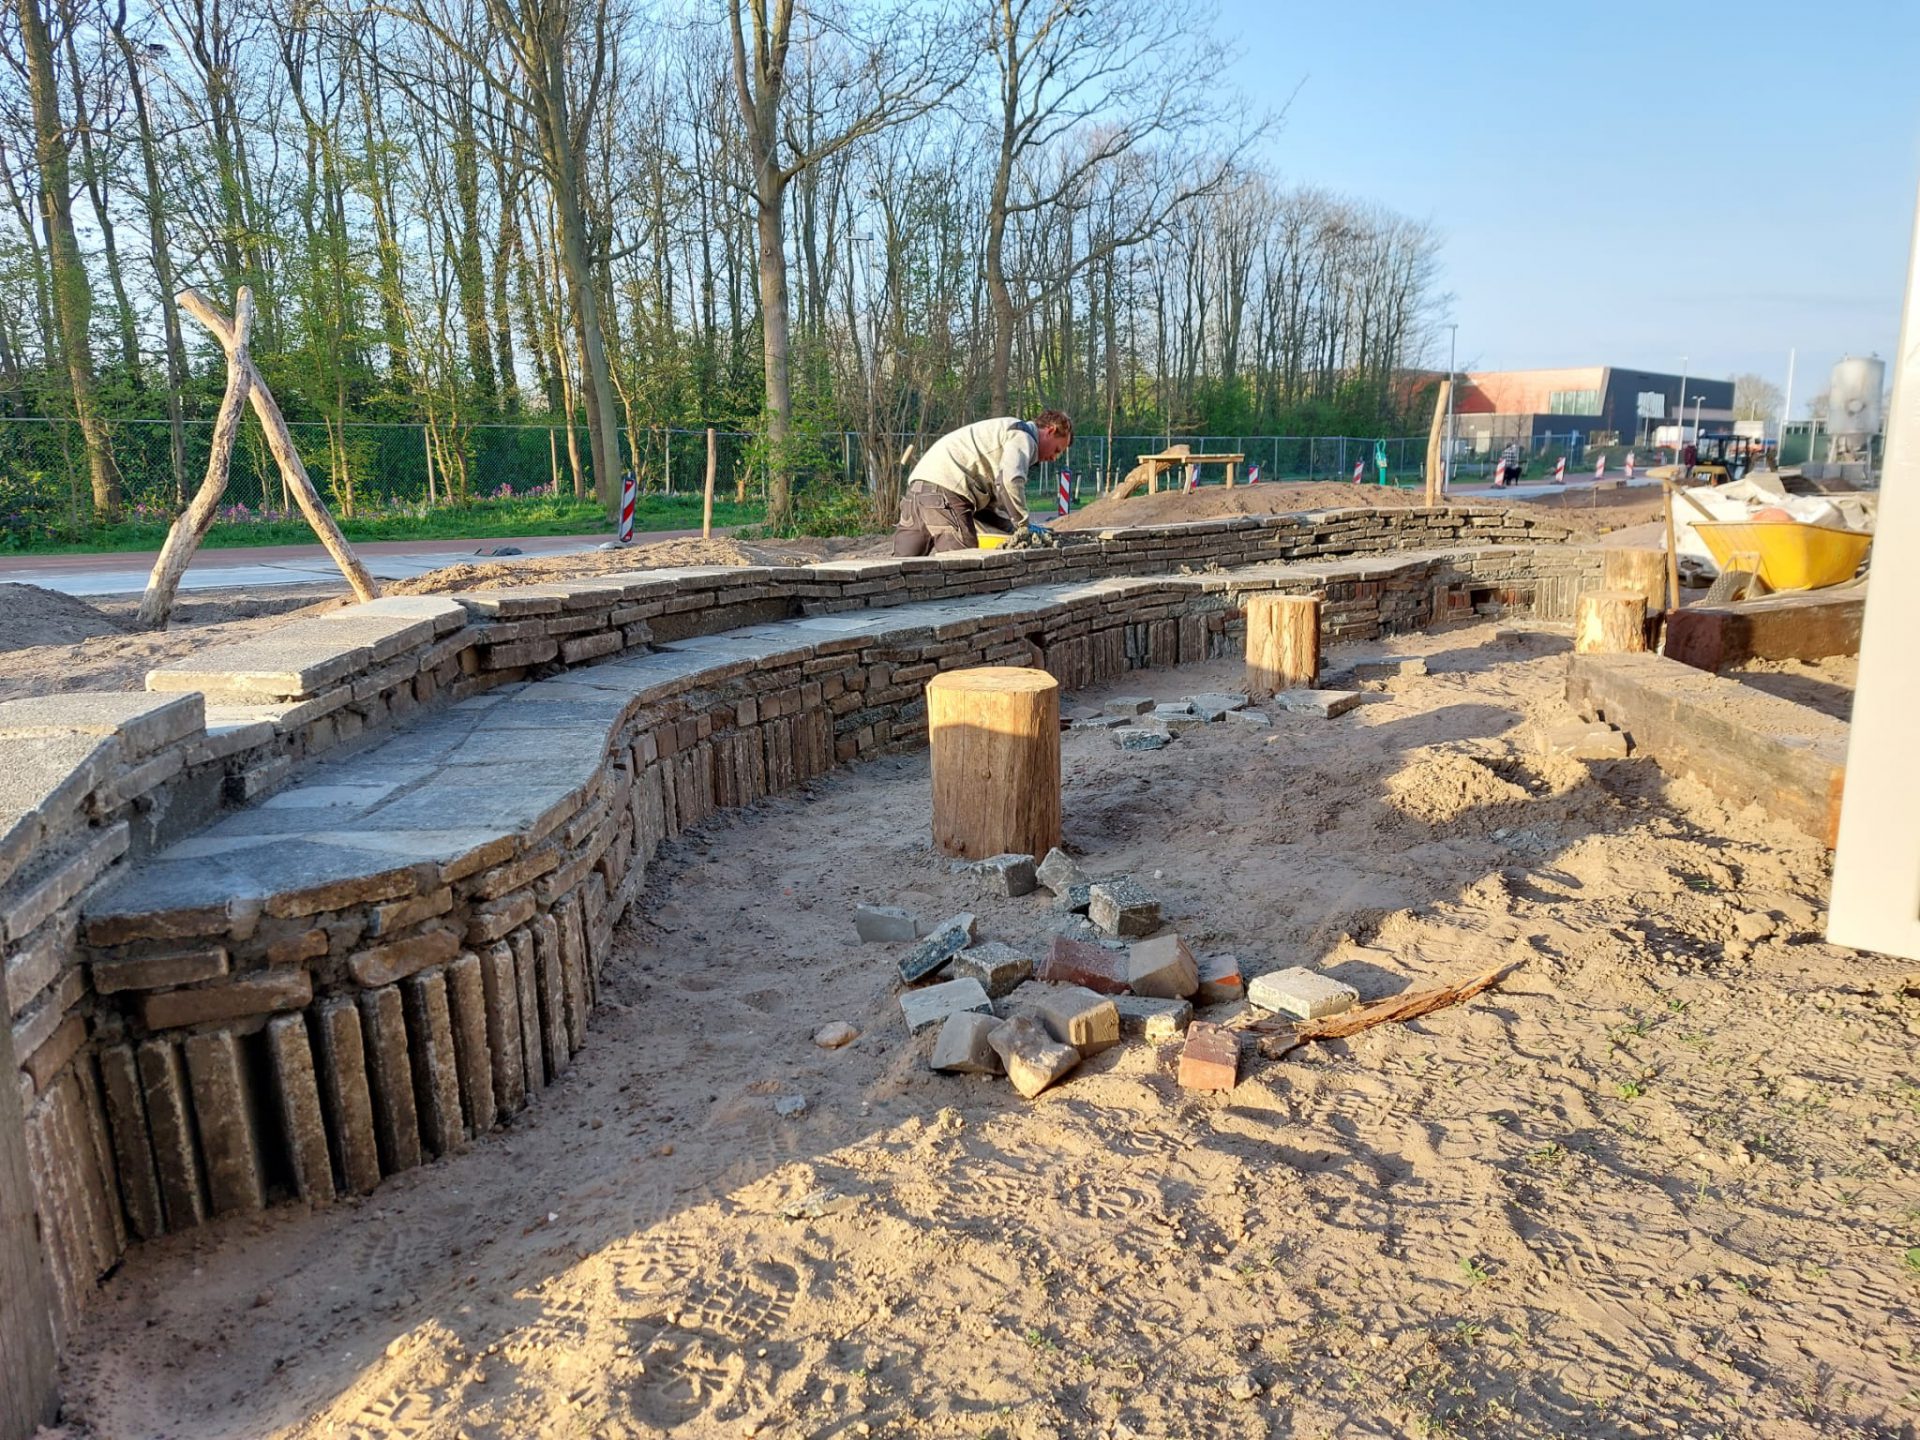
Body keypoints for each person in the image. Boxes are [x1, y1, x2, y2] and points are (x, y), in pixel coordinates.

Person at [892, 411, 1073, 556]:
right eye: (1057, 449)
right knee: (964, 568)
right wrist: (1023, 524)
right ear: (1050, 431)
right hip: (947, 490)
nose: (1053, 458)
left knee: (899, 569)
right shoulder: (1023, 436)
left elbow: (983, 511)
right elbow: (1010, 480)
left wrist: (1011, 526)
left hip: (919, 487)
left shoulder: (1000, 435)